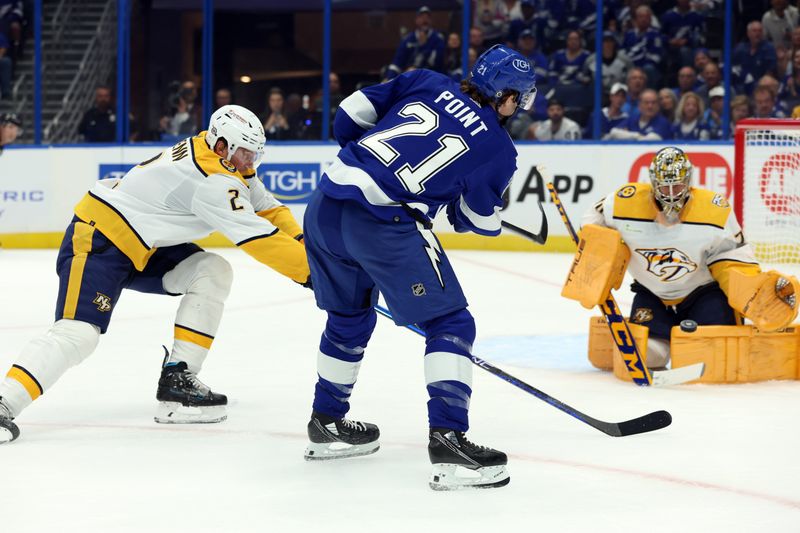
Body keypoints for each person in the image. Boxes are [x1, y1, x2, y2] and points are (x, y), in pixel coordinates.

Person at [0, 105, 311, 444]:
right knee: (78, 335)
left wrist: (308, 247)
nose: (251, 163)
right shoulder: (213, 179)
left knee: (211, 271)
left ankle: (178, 381)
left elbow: (269, 208)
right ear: (223, 146)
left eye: (255, 155)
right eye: (246, 155)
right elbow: (259, 238)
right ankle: (5, 402)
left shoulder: (220, 156)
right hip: (101, 238)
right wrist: (318, 275)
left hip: (144, 245)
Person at [301, 45, 536, 490]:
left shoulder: (425, 80)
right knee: (451, 321)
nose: (518, 107)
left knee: (349, 317)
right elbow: (474, 220)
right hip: (382, 221)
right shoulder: (500, 149)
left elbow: (348, 117)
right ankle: (449, 440)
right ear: (505, 95)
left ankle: (326, 422)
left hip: (326, 203)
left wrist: (376, 165)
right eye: (518, 97)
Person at [581, 147, 790, 370]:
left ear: (688, 180)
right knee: (652, 358)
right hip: (652, 294)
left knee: (709, 356)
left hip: (703, 294)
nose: (671, 194)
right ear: (653, 181)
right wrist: (595, 253)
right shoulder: (623, 201)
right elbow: (591, 222)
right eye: (664, 186)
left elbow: (733, 257)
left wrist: (751, 291)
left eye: (677, 186)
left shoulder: (715, 210)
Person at [385, 6, 445, 80]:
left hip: (432, 78)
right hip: (409, 77)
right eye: (421, 17)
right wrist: (389, 78)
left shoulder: (438, 39)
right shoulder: (408, 39)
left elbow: (435, 62)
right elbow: (398, 61)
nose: (424, 20)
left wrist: (424, 45)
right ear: (416, 20)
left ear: (431, 21)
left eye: (427, 17)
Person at [607, 88, 673, 140]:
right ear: (639, 105)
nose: (650, 106)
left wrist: (627, 135)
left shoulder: (662, 122)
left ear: (658, 105)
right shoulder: (632, 119)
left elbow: (652, 139)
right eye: (646, 103)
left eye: (653, 103)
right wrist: (637, 135)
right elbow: (614, 132)